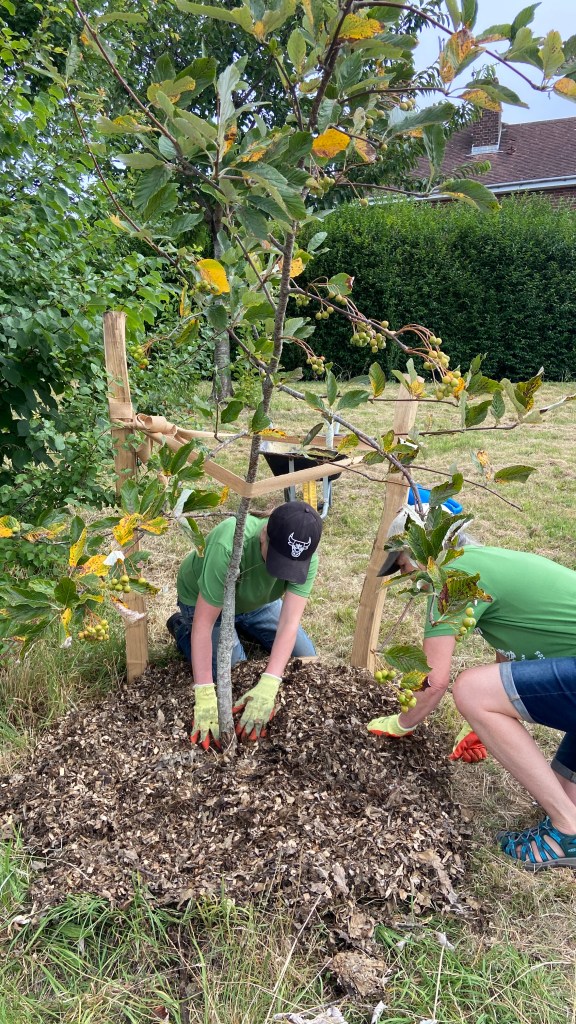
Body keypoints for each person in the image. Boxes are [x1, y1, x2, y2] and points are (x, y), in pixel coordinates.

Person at [367, 508, 576, 870]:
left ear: (422, 549)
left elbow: (434, 681)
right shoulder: (482, 566)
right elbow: (508, 652)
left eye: (403, 566)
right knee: (558, 792)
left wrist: (401, 723)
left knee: (471, 690)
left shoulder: (452, 579)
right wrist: (482, 726)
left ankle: (567, 835)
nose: (408, 579)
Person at [167, 501, 323, 749]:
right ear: (264, 534)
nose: (281, 572)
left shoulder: (305, 553)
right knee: (236, 671)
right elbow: (204, 625)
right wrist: (205, 691)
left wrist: (271, 681)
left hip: (257, 603)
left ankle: (242, 628)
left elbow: (289, 622)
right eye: (276, 561)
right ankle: (179, 626)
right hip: (203, 602)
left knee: (305, 659)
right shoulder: (228, 544)